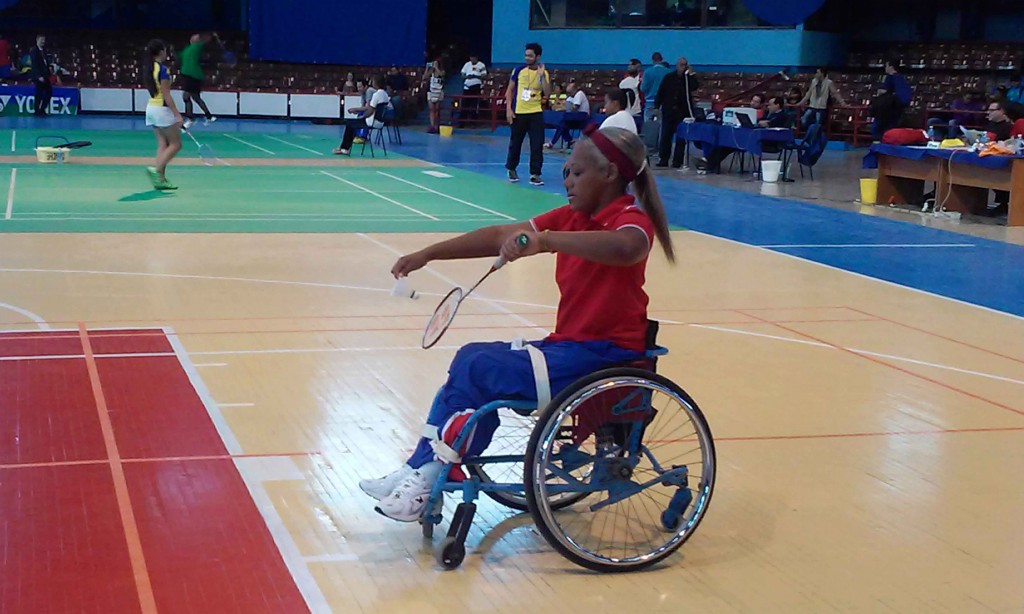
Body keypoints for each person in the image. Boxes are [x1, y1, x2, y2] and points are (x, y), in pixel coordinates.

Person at [362, 126, 676, 522]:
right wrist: (429, 254)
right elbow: (498, 235)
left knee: (475, 363)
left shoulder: (629, 220)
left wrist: (547, 240)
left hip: (603, 356)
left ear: (611, 174)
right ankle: (421, 470)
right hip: (568, 349)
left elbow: (627, 248)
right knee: (466, 370)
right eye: (565, 173)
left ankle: (429, 476)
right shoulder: (570, 218)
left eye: (577, 173)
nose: (567, 182)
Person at [505, 42, 551, 186]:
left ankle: (535, 174)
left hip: (535, 112)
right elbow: (509, 91)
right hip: (519, 112)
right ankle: (511, 169)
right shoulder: (518, 70)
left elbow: (547, 93)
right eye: (526, 55)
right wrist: (508, 109)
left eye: (530, 56)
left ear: (537, 57)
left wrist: (542, 76)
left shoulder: (543, 72)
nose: (527, 58)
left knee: (537, 144)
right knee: (515, 143)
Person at [142, 39, 183, 191]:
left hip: (151, 109)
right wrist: (177, 115)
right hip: (161, 110)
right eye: (165, 50)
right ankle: (157, 170)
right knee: (176, 144)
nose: (166, 53)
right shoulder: (163, 70)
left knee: (163, 144)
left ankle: (161, 180)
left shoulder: (149, 68)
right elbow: (166, 96)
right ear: (160, 52)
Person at [654, 57, 699, 169]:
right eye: (681, 65)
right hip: (668, 111)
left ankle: (677, 161)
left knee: (680, 138)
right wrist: (656, 106)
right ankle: (663, 159)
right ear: (677, 65)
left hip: (682, 113)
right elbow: (661, 92)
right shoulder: (669, 78)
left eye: (684, 65)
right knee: (666, 136)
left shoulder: (688, 79)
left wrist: (691, 74)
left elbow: (695, 86)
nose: (682, 67)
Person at [333, 76, 391, 155]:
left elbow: (370, 110)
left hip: (372, 122)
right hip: (381, 122)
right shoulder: (385, 94)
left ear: (376, 83)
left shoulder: (376, 95)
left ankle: (344, 148)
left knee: (349, 124)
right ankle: (345, 147)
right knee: (352, 123)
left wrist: (362, 117)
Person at [179, 33, 218, 129]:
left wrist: (211, 36)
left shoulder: (197, 47)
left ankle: (190, 118)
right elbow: (179, 57)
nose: (196, 38)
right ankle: (209, 116)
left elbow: (206, 41)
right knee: (195, 97)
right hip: (188, 75)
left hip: (193, 75)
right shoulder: (187, 50)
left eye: (198, 38)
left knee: (186, 96)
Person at [871, 58, 912, 140]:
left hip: (893, 106)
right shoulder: (901, 78)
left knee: (879, 124)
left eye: (886, 66)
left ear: (891, 67)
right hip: (899, 107)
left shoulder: (891, 77)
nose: (885, 68)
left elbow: (882, 91)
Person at [639, 52, 671, 150]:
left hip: (650, 101)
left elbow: (643, 88)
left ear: (652, 60)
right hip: (664, 102)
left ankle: (649, 146)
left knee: (648, 125)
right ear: (662, 59)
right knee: (662, 126)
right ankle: (661, 147)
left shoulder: (648, 72)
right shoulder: (668, 72)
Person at [546, 81, 589, 150]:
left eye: (570, 86)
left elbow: (575, 108)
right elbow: (566, 108)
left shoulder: (579, 94)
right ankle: (568, 140)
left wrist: (561, 106)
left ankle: (562, 141)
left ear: (574, 88)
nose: (567, 86)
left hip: (582, 118)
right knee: (561, 124)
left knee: (562, 122)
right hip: (573, 118)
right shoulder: (570, 97)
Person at [460, 53, 487, 124]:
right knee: (464, 104)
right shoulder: (467, 64)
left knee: (474, 104)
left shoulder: (481, 65)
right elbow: (462, 74)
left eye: (474, 58)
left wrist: (476, 76)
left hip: (476, 86)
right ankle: (462, 122)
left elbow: (484, 75)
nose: (472, 59)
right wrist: (467, 77)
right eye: (471, 57)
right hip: (467, 87)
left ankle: (473, 121)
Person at [619, 58, 644, 133]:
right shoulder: (626, 80)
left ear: (638, 66)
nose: (629, 67)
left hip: (640, 110)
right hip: (628, 110)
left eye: (631, 65)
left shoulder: (643, 78)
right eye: (628, 65)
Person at [29, 35, 51, 117]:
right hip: (38, 76)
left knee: (49, 93)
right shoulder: (34, 51)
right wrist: (38, 76)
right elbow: (35, 64)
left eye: (44, 40)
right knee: (39, 94)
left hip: (45, 75)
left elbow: (46, 63)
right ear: (37, 40)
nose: (43, 42)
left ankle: (42, 109)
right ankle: (37, 111)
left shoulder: (44, 50)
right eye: (41, 40)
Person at [423, 59, 445, 134]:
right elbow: (424, 77)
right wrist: (427, 68)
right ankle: (432, 125)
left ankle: (436, 125)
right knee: (431, 109)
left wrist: (436, 68)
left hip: (438, 91)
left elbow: (441, 75)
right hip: (431, 91)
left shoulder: (441, 70)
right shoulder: (431, 71)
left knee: (437, 109)